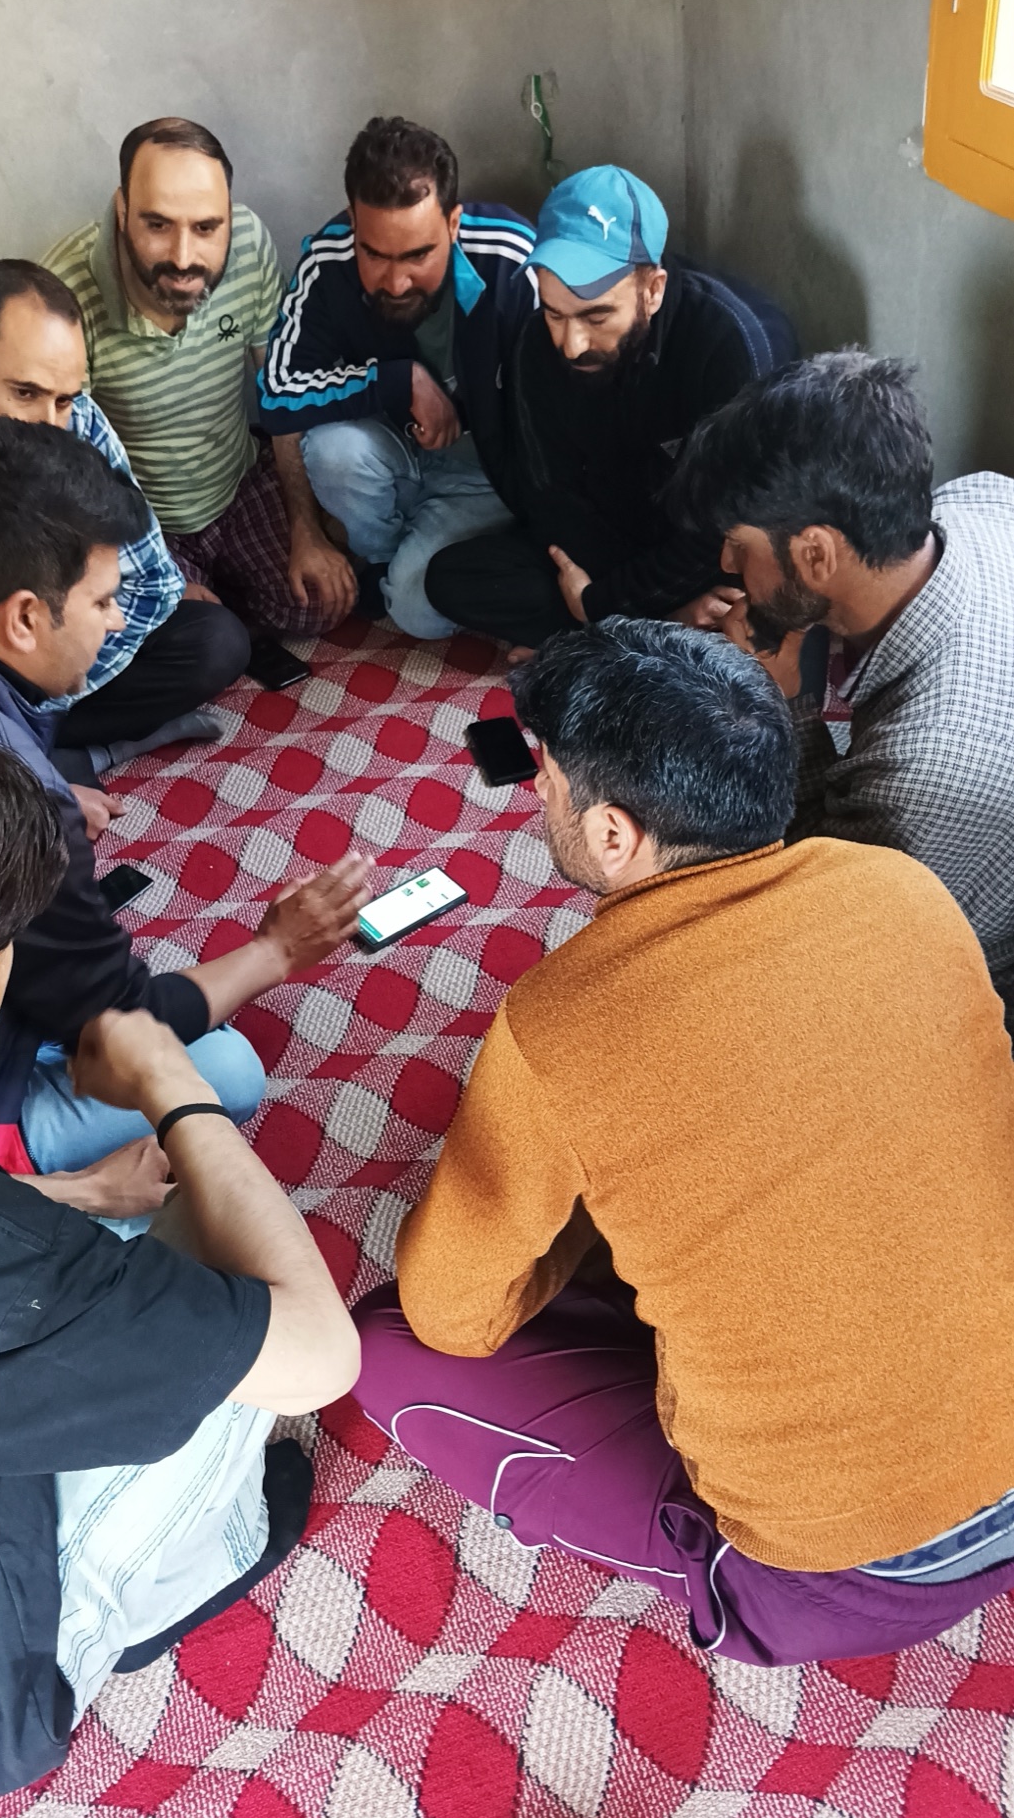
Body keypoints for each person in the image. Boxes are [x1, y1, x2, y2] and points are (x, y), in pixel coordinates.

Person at [353, 619, 1014, 1666]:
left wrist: (586, 1210)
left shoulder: (557, 1017)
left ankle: (714, 1578)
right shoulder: (900, 888)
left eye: (547, 779)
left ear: (613, 833)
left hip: (835, 1571)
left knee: (386, 1346)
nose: (536, 792)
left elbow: (454, 1315)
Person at [0, 726, 360, 1803]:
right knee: (219, 1289)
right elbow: (315, 1350)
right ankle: (187, 1571)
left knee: (116, 1243)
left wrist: (69, 1194)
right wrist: (166, 1080)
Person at [0, 419, 370, 1192]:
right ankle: (8, 1185)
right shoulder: (16, 805)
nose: (118, 620)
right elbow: (116, 1017)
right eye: (104, 600)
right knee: (224, 1071)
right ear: (23, 617)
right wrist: (277, 951)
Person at [670, 349, 1014, 1028]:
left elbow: (823, 896)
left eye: (739, 543)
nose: (727, 563)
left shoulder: (915, 775)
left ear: (815, 555)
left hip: (958, 983)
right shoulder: (983, 496)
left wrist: (781, 710)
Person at [0, 260, 249, 808]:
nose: (49, 423)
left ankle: (26, 763)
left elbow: (152, 582)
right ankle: (37, 767)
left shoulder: (74, 421)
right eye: (24, 392)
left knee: (215, 641)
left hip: (55, 664)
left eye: (63, 398)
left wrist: (53, 676)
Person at [425, 165, 796, 653]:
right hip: (607, 548)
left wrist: (604, 602)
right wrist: (617, 602)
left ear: (653, 290)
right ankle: (649, 633)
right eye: (555, 313)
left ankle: (607, 637)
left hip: (706, 555)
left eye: (596, 316)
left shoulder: (731, 344)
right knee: (452, 578)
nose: (573, 344)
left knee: (756, 604)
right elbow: (550, 495)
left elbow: (729, 527)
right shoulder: (538, 345)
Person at [43, 116, 333, 685]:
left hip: (235, 482)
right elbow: (71, 472)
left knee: (321, 599)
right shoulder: (63, 295)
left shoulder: (249, 242)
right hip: (139, 519)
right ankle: (213, 603)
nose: (182, 257)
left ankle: (226, 592)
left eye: (205, 227)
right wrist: (153, 568)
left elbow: (280, 393)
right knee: (187, 640)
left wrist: (307, 529)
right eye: (157, 224)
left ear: (228, 217)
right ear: (122, 209)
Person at [259, 115, 535, 641]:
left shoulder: (510, 259)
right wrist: (397, 381)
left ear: (452, 224)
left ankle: (421, 562)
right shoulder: (327, 258)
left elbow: (561, 414)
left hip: (487, 477)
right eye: (374, 254)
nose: (397, 282)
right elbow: (275, 393)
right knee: (333, 451)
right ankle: (386, 559)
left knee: (416, 613)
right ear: (352, 224)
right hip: (396, 455)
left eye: (418, 255)